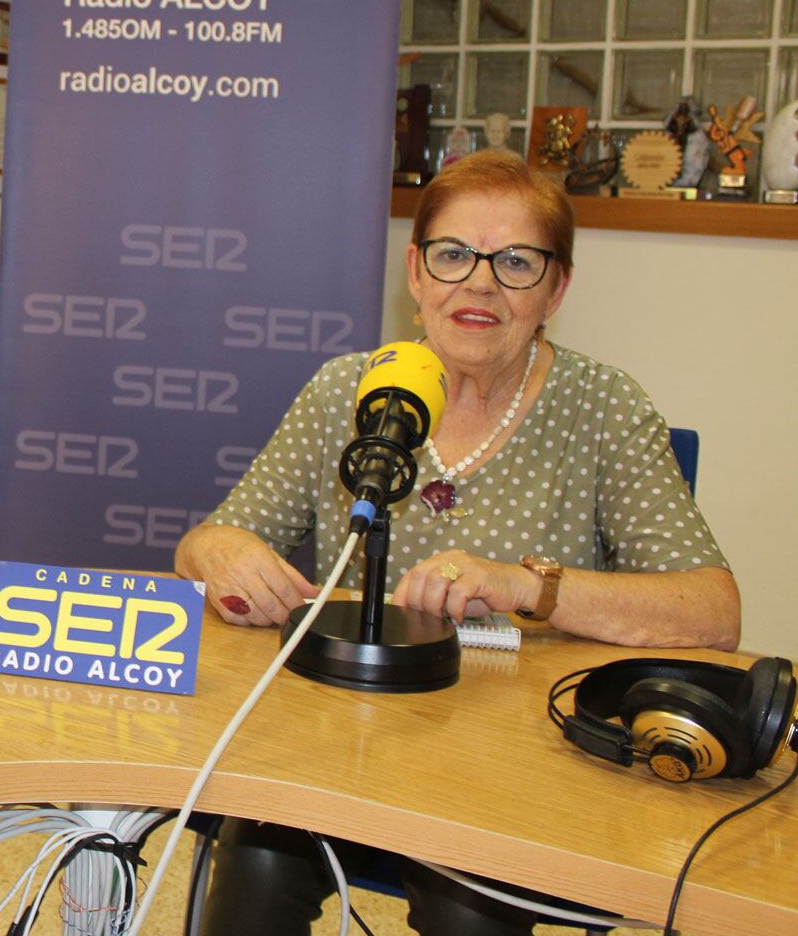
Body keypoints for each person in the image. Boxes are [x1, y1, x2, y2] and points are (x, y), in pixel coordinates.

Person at [174, 149, 739, 935]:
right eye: (453, 255)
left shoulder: (604, 408)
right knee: (253, 872)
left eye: (515, 262)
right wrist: (220, 555)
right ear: (415, 272)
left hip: (515, 770)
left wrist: (525, 585)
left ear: (556, 288)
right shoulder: (353, 390)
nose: (478, 283)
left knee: (468, 908)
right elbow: (210, 542)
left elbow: (711, 611)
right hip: (340, 747)